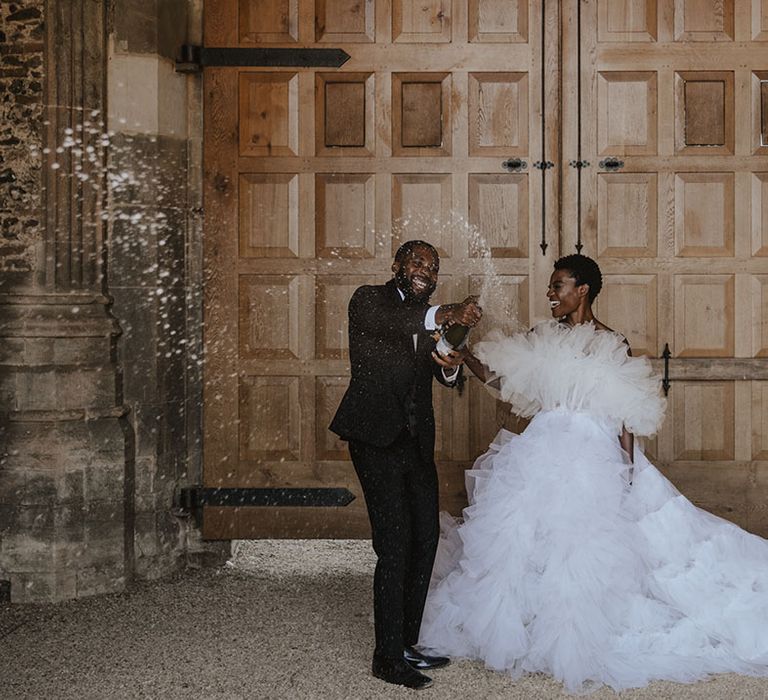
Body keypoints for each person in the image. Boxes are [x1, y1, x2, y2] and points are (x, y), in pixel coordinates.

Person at [419, 254, 768, 693]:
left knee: (590, 541)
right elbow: (502, 379)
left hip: (592, 449)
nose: (550, 293)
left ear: (582, 290)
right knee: (521, 533)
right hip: (544, 442)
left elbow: (623, 414)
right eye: (550, 286)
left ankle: (579, 625)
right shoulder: (542, 334)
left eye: (558, 286)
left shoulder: (611, 341)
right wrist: (464, 352)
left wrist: (626, 470)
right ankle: (527, 622)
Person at [330, 240, 483, 690]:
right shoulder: (368, 301)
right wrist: (447, 314)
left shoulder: (433, 317)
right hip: (374, 438)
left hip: (415, 442)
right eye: (417, 262)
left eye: (433, 267)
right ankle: (386, 657)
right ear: (397, 265)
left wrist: (451, 364)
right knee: (393, 544)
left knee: (425, 538)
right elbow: (398, 323)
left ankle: (408, 642)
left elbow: (442, 372)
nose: (425, 271)